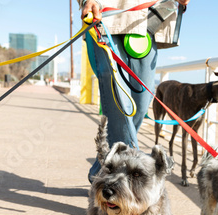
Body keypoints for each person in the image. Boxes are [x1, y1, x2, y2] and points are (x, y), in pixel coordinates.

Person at [79, 0, 190, 183]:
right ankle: (134, 186)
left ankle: (101, 168)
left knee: (141, 103)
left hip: (150, 17)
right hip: (106, 16)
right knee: (120, 105)